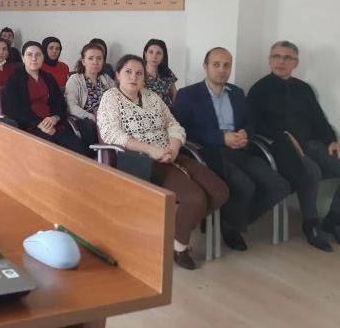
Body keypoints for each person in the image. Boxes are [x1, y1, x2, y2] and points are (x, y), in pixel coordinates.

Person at [97, 54, 229, 270]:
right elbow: (112, 134)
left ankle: (175, 231)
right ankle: (179, 248)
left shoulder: (152, 97)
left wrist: (174, 147)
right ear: (117, 75)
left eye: (139, 73)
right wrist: (151, 150)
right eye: (128, 72)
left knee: (220, 191)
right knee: (195, 199)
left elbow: (174, 125)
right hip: (140, 161)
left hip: (171, 154)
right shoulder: (111, 98)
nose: (134, 77)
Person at [174, 47, 291, 251]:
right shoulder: (188, 94)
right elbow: (182, 129)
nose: (222, 70)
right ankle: (231, 225)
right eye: (216, 65)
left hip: (240, 150)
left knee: (279, 185)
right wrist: (221, 137)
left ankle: (230, 222)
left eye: (226, 65)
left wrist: (246, 133)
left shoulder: (237, 93)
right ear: (205, 67)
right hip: (209, 153)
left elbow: (250, 122)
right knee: (245, 186)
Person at [248, 41, 340, 250]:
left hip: (311, 144)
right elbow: (254, 127)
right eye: (276, 56)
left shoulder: (304, 89)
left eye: (287, 57)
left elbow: (319, 120)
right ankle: (311, 224)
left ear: (296, 63)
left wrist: (332, 140)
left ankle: (333, 218)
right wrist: (285, 140)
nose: (281, 61)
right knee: (312, 170)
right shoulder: (259, 90)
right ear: (269, 60)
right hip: (281, 150)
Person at [3, 41, 87, 156]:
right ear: (23, 58)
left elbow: (60, 103)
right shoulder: (15, 79)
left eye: (38, 54)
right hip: (28, 126)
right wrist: (39, 123)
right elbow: (13, 108)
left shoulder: (48, 78)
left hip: (53, 124)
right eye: (29, 55)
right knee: (50, 148)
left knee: (78, 147)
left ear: (43, 57)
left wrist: (55, 118)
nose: (34, 58)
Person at [65, 43, 115, 152]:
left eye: (99, 58)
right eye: (91, 58)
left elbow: (117, 99)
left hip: (109, 117)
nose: (95, 62)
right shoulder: (75, 79)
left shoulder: (106, 79)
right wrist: (92, 117)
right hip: (88, 120)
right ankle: (106, 155)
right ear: (83, 61)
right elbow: (71, 106)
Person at [143, 38, 177, 107]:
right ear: (145, 54)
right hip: (144, 113)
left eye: (158, 53)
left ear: (163, 57)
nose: (154, 56)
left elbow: (174, 96)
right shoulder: (138, 72)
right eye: (151, 52)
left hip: (166, 113)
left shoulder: (167, 72)